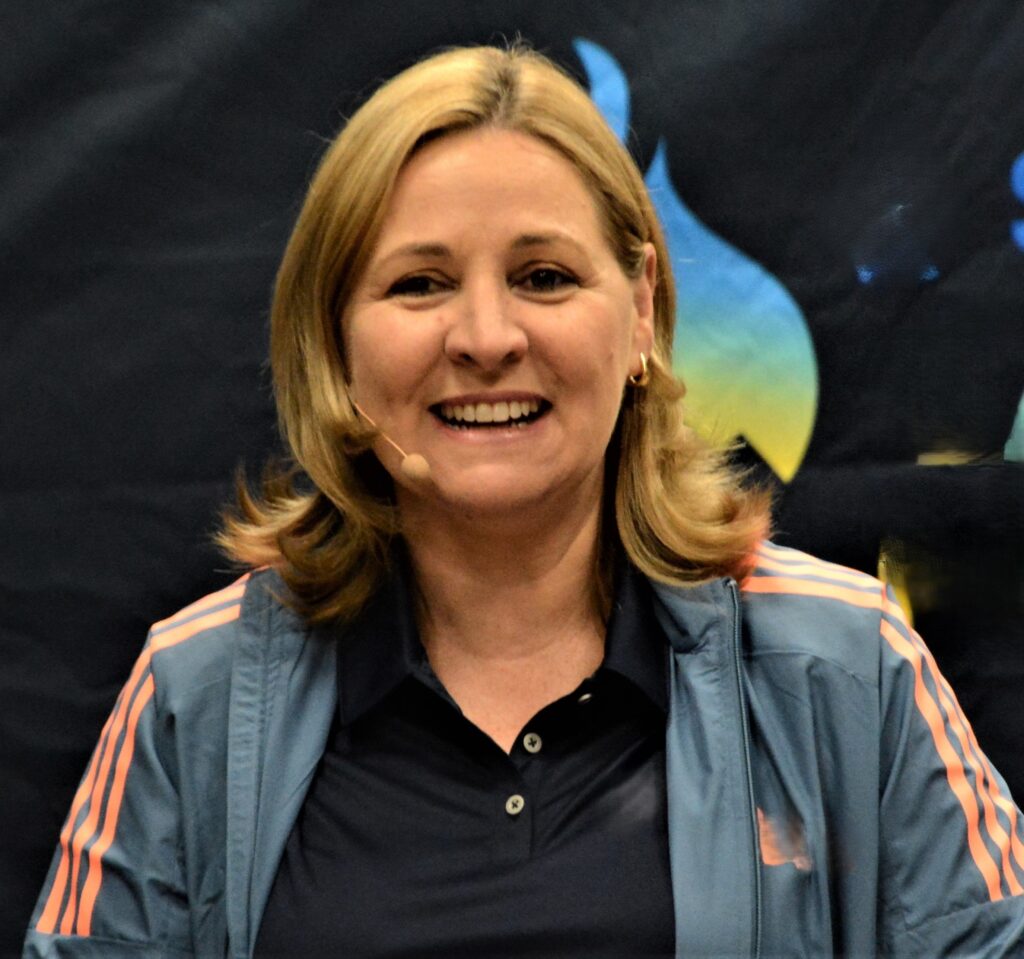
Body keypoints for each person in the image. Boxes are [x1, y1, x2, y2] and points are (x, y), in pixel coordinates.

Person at [23, 44, 1024, 959]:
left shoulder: (847, 666)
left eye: (543, 276)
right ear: (334, 342)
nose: (486, 337)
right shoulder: (196, 692)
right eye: (419, 284)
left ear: (640, 310)